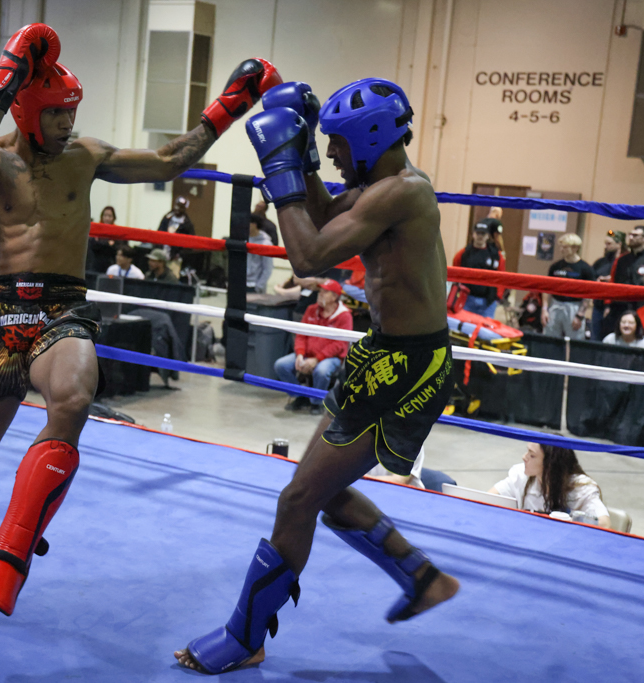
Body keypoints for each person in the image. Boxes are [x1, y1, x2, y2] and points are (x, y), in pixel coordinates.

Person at [0, 22, 280, 629]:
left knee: (72, 398)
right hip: (1, 310)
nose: (68, 122)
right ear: (25, 109)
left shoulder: (85, 156)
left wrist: (229, 104)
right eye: (57, 112)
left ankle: (9, 557)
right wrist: (7, 74)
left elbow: (169, 161)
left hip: (62, 308)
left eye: (73, 111)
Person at [177, 78, 458, 674]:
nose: (330, 154)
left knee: (299, 498)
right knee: (319, 494)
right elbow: (326, 215)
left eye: (335, 143)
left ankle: (244, 637)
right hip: (383, 354)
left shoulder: (404, 192)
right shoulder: (378, 187)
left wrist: (281, 165)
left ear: (370, 138)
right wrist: (300, 158)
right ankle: (422, 577)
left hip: (409, 369)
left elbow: (308, 256)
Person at [273, 279, 352, 415]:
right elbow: (301, 335)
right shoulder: (311, 310)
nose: (320, 294)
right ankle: (300, 396)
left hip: (331, 357)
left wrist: (317, 359)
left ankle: (316, 402)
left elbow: (339, 344)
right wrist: (300, 354)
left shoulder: (344, 316)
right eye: (320, 291)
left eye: (325, 292)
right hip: (306, 354)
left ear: (334, 297)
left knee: (321, 371)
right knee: (281, 365)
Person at [489, 443, 610, 528]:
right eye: (527, 451)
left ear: (549, 465)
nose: (524, 457)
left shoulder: (580, 488)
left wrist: (566, 521)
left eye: (532, 455)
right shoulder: (520, 475)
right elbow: (488, 498)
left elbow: (605, 524)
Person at [541, 233, 595, 338]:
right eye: (561, 247)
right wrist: (544, 309)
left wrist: (580, 314)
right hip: (556, 305)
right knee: (549, 338)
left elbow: (589, 294)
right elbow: (546, 288)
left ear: (575, 248)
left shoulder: (585, 269)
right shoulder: (555, 266)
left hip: (574, 306)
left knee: (575, 340)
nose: (561, 250)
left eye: (565, 247)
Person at [604, 224, 644, 335]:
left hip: (641, 309)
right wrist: (607, 305)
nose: (630, 237)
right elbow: (613, 283)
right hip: (618, 308)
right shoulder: (621, 260)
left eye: (635, 235)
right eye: (630, 235)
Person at [452, 220, 505, 319]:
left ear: (487, 236)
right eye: (478, 233)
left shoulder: (496, 256)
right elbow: (454, 272)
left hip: (488, 302)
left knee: (485, 327)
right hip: (467, 299)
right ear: (473, 234)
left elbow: (502, 276)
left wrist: (498, 295)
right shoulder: (464, 254)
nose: (480, 236)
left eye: (483, 234)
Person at [590, 230, 625, 341]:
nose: (606, 246)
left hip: (616, 307)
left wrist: (611, 280)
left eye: (609, 243)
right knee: (595, 338)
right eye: (605, 243)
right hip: (598, 305)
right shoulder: (600, 262)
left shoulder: (625, 262)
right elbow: (591, 278)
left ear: (619, 244)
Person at [246, 213, 274, 292]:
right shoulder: (244, 240)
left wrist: (259, 286)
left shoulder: (266, 244)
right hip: (241, 283)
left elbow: (268, 268)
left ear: (254, 224)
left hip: (254, 285)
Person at [88, 205, 118, 274]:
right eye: (105, 215)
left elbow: (115, 248)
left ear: (113, 218)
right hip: (95, 264)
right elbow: (93, 245)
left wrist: (100, 243)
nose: (107, 218)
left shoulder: (116, 231)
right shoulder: (96, 229)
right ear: (102, 216)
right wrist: (108, 244)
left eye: (110, 216)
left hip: (110, 264)